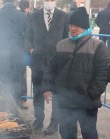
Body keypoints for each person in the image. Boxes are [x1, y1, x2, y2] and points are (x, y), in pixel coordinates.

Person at [42, 7, 110, 139]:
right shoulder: (61, 45)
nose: (73, 28)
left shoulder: (98, 46)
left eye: (77, 26)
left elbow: (102, 75)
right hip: (64, 100)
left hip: (86, 101)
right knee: (66, 132)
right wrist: (47, 87)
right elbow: (51, 68)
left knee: (89, 133)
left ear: (85, 27)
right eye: (71, 25)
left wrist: (91, 94)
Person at [24, 0, 68, 135]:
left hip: (57, 63)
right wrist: (31, 49)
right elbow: (27, 36)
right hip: (38, 62)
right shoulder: (33, 16)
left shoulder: (64, 16)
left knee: (57, 94)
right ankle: (38, 120)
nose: (49, 1)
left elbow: (67, 37)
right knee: (37, 92)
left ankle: (54, 123)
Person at [0, 0, 28, 108]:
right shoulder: (23, 16)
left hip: (0, 56)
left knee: (3, 80)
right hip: (18, 55)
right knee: (18, 80)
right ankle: (18, 104)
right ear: (15, 2)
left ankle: (5, 104)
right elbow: (27, 36)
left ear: (3, 2)